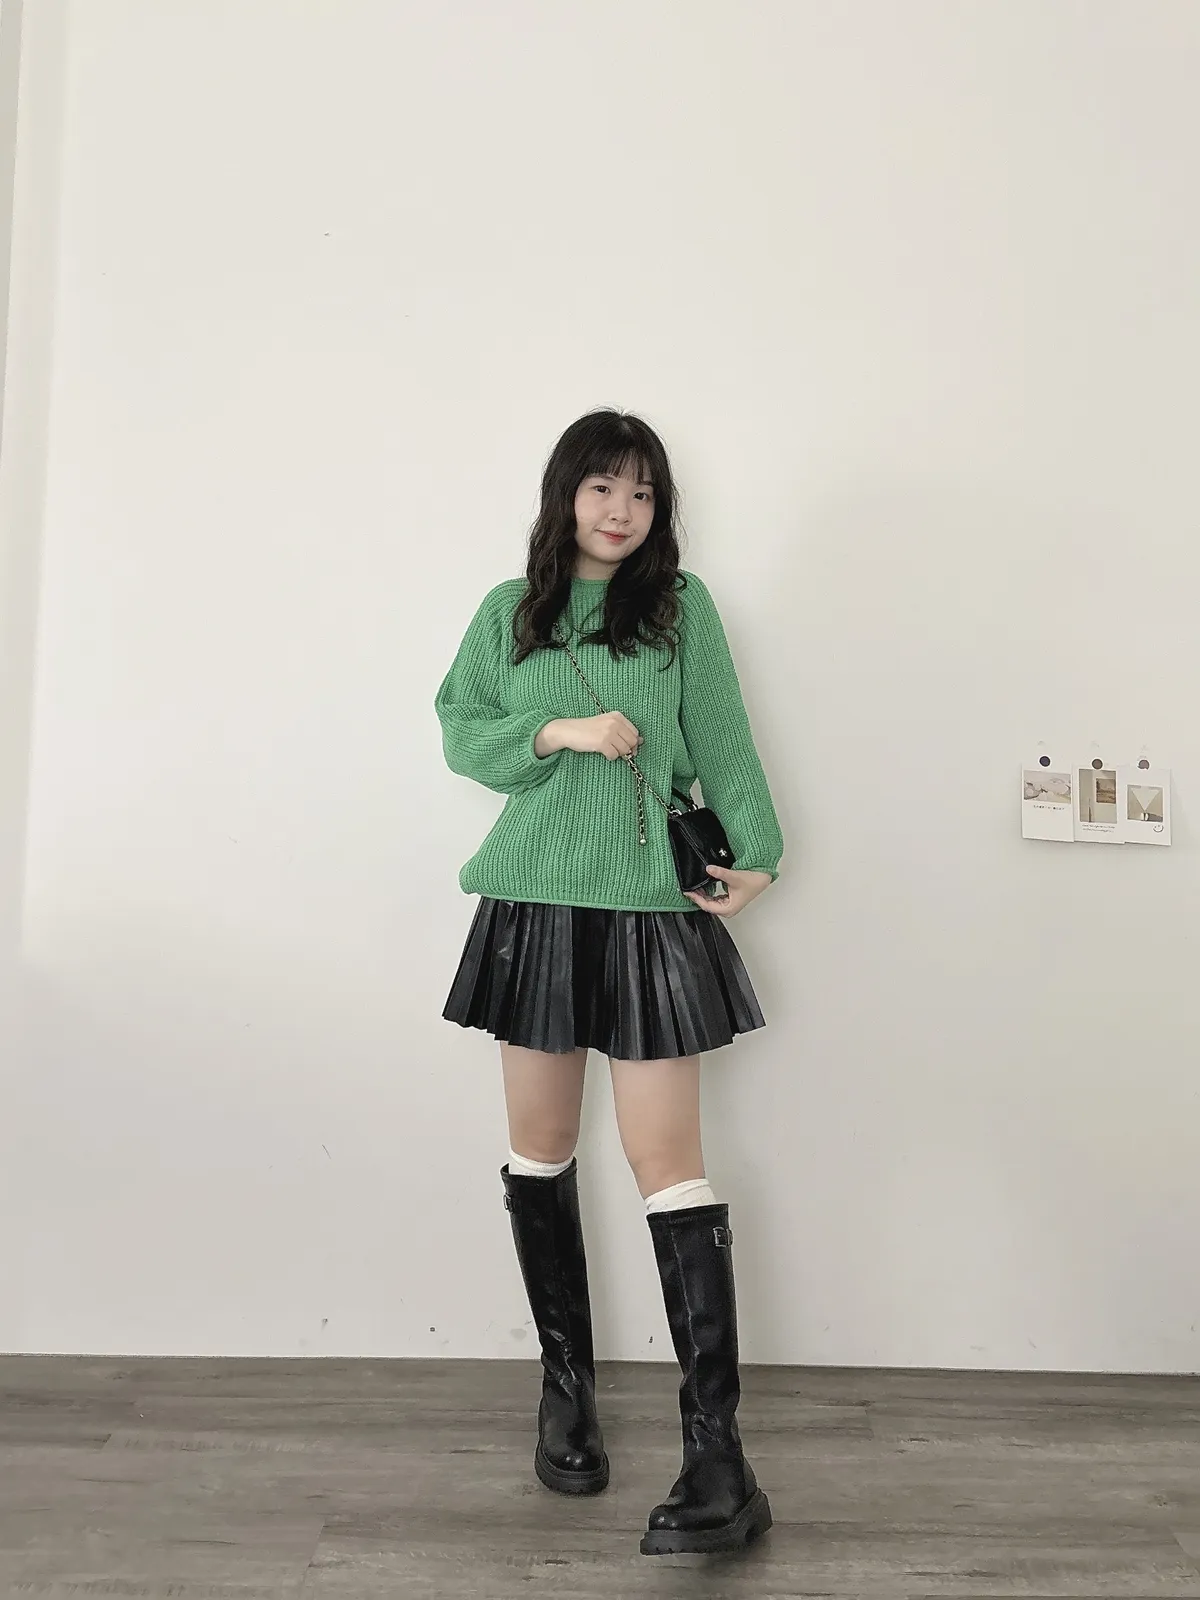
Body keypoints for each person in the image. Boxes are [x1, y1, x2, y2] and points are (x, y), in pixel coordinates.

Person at [433, 408, 783, 1558]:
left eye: (641, 491)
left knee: (667, 1162)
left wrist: (760, 850)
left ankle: (718, 1458)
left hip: (647, 910)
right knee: (540, 1149)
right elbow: (463, 731)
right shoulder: (512, 610)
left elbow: (722, 739)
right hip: (533, 906)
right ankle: (566, 1392)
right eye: (602, 487)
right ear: (565, 496)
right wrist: (561, 732)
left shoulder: (681, 610)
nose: (622, 509)